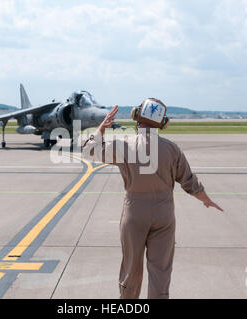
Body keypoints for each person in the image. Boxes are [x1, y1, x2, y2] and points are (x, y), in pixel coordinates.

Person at [82, 99, 223, 299]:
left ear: (136, 116)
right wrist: (206, 199)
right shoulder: (172, 149)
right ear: (162, 123)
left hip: (134, 213)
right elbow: (189, 182)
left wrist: (101, 129)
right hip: (164, 215)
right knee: (160, 272)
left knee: (131, 269)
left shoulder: (124, 144)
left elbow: (89, 151)